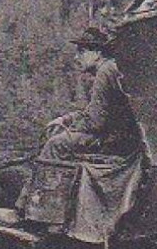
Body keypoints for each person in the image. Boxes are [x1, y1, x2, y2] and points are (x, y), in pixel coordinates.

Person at [41, 25, 141, 160]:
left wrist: (70, 127)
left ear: (98, 53)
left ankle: (50, 180)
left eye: (82, 51)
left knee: (56, 144)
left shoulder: (105, 72)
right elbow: (93, 111)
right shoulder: (111, 67)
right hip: (123, 137)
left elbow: (96, 122)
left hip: (115, 140)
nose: (77, 57)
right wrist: (66, 119)